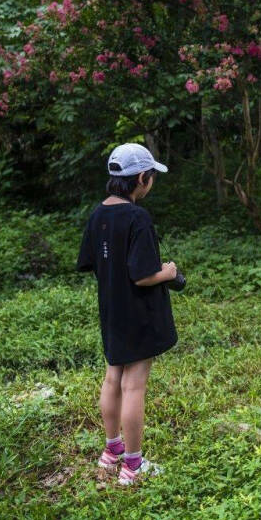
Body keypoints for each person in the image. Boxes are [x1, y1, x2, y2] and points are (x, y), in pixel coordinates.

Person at [77, 143, 179, 485]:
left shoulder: (98, 214)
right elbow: (143, 274)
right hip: (138, 313)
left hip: (111, 311)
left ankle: (112, 451)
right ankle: (132, 467)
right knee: (134, 387)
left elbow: (92, 262)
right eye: (151, 177)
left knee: (112, 380)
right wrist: (168, 273)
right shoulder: (137, 217)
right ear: (141, 178)